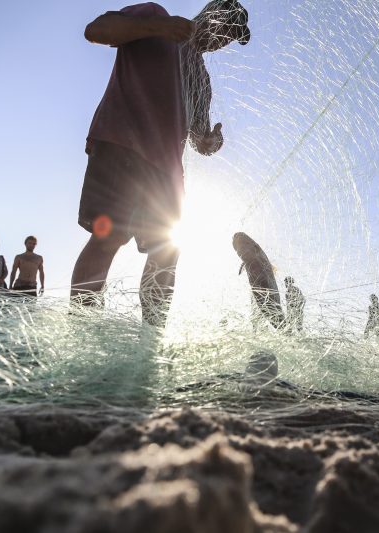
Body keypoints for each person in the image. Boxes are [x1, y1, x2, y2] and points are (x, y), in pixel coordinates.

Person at [70, 1, 250, 327]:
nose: (225, 41)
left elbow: (197, 138)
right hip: (122, 141)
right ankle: (81, 327)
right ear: (213, 15)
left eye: (232, 37)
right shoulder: (156, 16)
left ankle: (150, 340)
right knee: (109, 236)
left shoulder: (202, 80)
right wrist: (158, 29)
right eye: (229, 30)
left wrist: (209, 142)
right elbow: (96, 30)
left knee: (167, 251)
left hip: (167, 171)